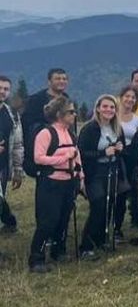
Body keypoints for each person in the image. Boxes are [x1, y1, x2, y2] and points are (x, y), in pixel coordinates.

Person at [28, 96, 83, 273]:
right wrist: (63, 159)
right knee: (48, 221)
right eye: (71, 112)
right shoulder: (46, 133)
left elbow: (76, 155)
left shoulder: (70, 133)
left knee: (63, 218)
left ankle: (58, 251)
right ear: (59, 114)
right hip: (50, 183)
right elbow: (38, 158)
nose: (74, 114)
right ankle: (37, 258)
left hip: (69, 182)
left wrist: (80, 175)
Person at [78, 94, 126, 259]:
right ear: (97, 108)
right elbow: (82, 153)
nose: (108, 110)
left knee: (108, 205)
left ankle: (100, 239)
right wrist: (102, 153)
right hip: (94, 173)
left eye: (112, 107)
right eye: (105, 106)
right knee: (98, 205)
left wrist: (118, 149)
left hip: (112, 171)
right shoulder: (89, 128)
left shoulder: (117, 128)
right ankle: (86, 246)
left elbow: (122, 150)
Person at [115, 86, 138, 238]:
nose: (130, 100)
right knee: (118, 193)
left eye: (133, 97)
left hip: (131, 160)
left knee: (133, 190)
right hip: (115, 159)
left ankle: (135, 217)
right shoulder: (112, 115)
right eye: (127, 96)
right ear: (121, 97)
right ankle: (116, 226)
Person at [22, 68, 73, 145]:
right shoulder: (36, 100)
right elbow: (27, 123)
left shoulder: (67, 99)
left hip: (64, 142)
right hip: (42, 143)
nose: (62, 81)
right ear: (49, 82)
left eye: (64, 79)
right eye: (57, 79)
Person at [0, 75, 23, 235]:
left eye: (6, 89)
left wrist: (17, 170)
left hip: (3, 166)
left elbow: (17, 145)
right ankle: (9, 221)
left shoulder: (12, 115)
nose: (2, 92)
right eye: (0, 88)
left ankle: (9, 222)